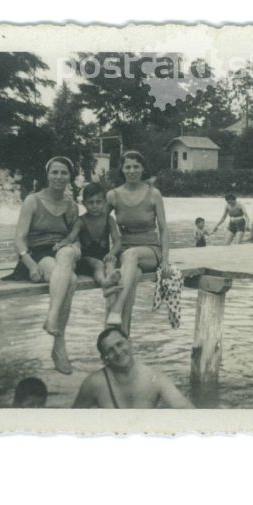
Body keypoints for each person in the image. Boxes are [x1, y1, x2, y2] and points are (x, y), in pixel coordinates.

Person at [11, 156, 80, 374]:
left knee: (68, 252)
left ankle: (51, 318)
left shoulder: (72, 206)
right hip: (35, 255)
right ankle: (59, 347)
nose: (59, 177)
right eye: (55, 172)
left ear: (70, 177)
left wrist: (75, 248)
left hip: (61, 253)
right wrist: (31, 265)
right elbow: (19, 239)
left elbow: (75, 237)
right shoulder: (33, 201)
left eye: (64, 173)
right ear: (47, 174)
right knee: (72, 279)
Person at [105, 150, 170, 334]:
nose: (132, 170)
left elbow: (164, 229)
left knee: (131, 255)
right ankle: (123, 334)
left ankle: (116, 309)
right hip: (124, 250)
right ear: (122, 169)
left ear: (143, 169)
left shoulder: (153, 194)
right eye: (128, 167)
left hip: (150, 250)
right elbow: (98, 221)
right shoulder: (113, 195)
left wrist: (165, 259)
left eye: (136, 166)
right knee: (131, 277)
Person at [72, 327, 193, 408]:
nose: (118, 352)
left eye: (120, 344)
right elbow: (72, 420)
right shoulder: (94, 384)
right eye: (110, 350)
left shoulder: (155, 379)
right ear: (104, 359)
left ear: (130, 343)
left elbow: (186, 409)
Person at [54, 182, 122, 295]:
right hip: (85, 260)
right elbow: (71, 237)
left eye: (98, 202)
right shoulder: (81, 221)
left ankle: (110, 282)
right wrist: (61, 244)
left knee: (110, 263)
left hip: (103, 256)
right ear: (84, 203)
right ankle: (105, 284)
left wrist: (111, 254)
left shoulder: (109, 219)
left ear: (105, 202)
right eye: (90, 203)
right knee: (98, 264)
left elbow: (117, 241)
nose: (95, 206)